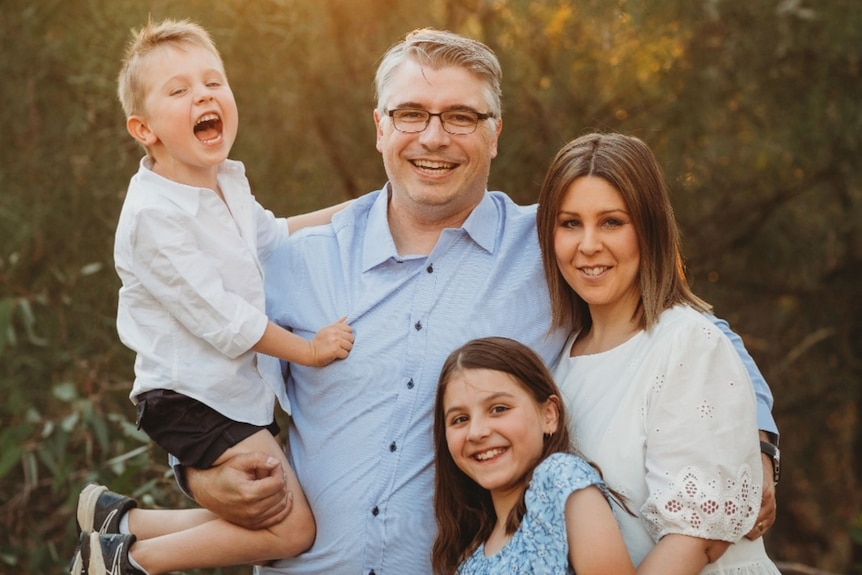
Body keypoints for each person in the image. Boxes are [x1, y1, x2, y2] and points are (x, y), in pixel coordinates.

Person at [181, 29, 778, 575]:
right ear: (380, 127)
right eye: (411, 114)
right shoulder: (297, 262)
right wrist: (199, 473)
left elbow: (691, 328)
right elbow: (194, 380)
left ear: (495, 133)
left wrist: (754, 449)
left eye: (462, 117)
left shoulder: (551, 248)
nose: (434, 137)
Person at [70, 18, 354, 575]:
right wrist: (311, 351)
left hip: (227, 394)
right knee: (292, 528)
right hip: (188, 398)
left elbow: (274, 237)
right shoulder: (153, 217)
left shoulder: (225, 180)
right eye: (178, 90)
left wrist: (366, 208)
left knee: (266, 517)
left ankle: (121, 527)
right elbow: (227, 320)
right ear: (144, 129)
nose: (203, 94)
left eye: (213, 81)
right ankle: (134, 564)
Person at [537, 132, 780, 574]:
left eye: (611, 221)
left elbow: (696, 541)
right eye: (570, 223)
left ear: (649, 229)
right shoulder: (562, 361)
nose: (588, 244)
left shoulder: (688, 343)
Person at [432, 337, 636, 575]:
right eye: (460, 419)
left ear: (549, 415)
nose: (476, 432)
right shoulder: (469, 553)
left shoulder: (560, 481)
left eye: (499, 409)